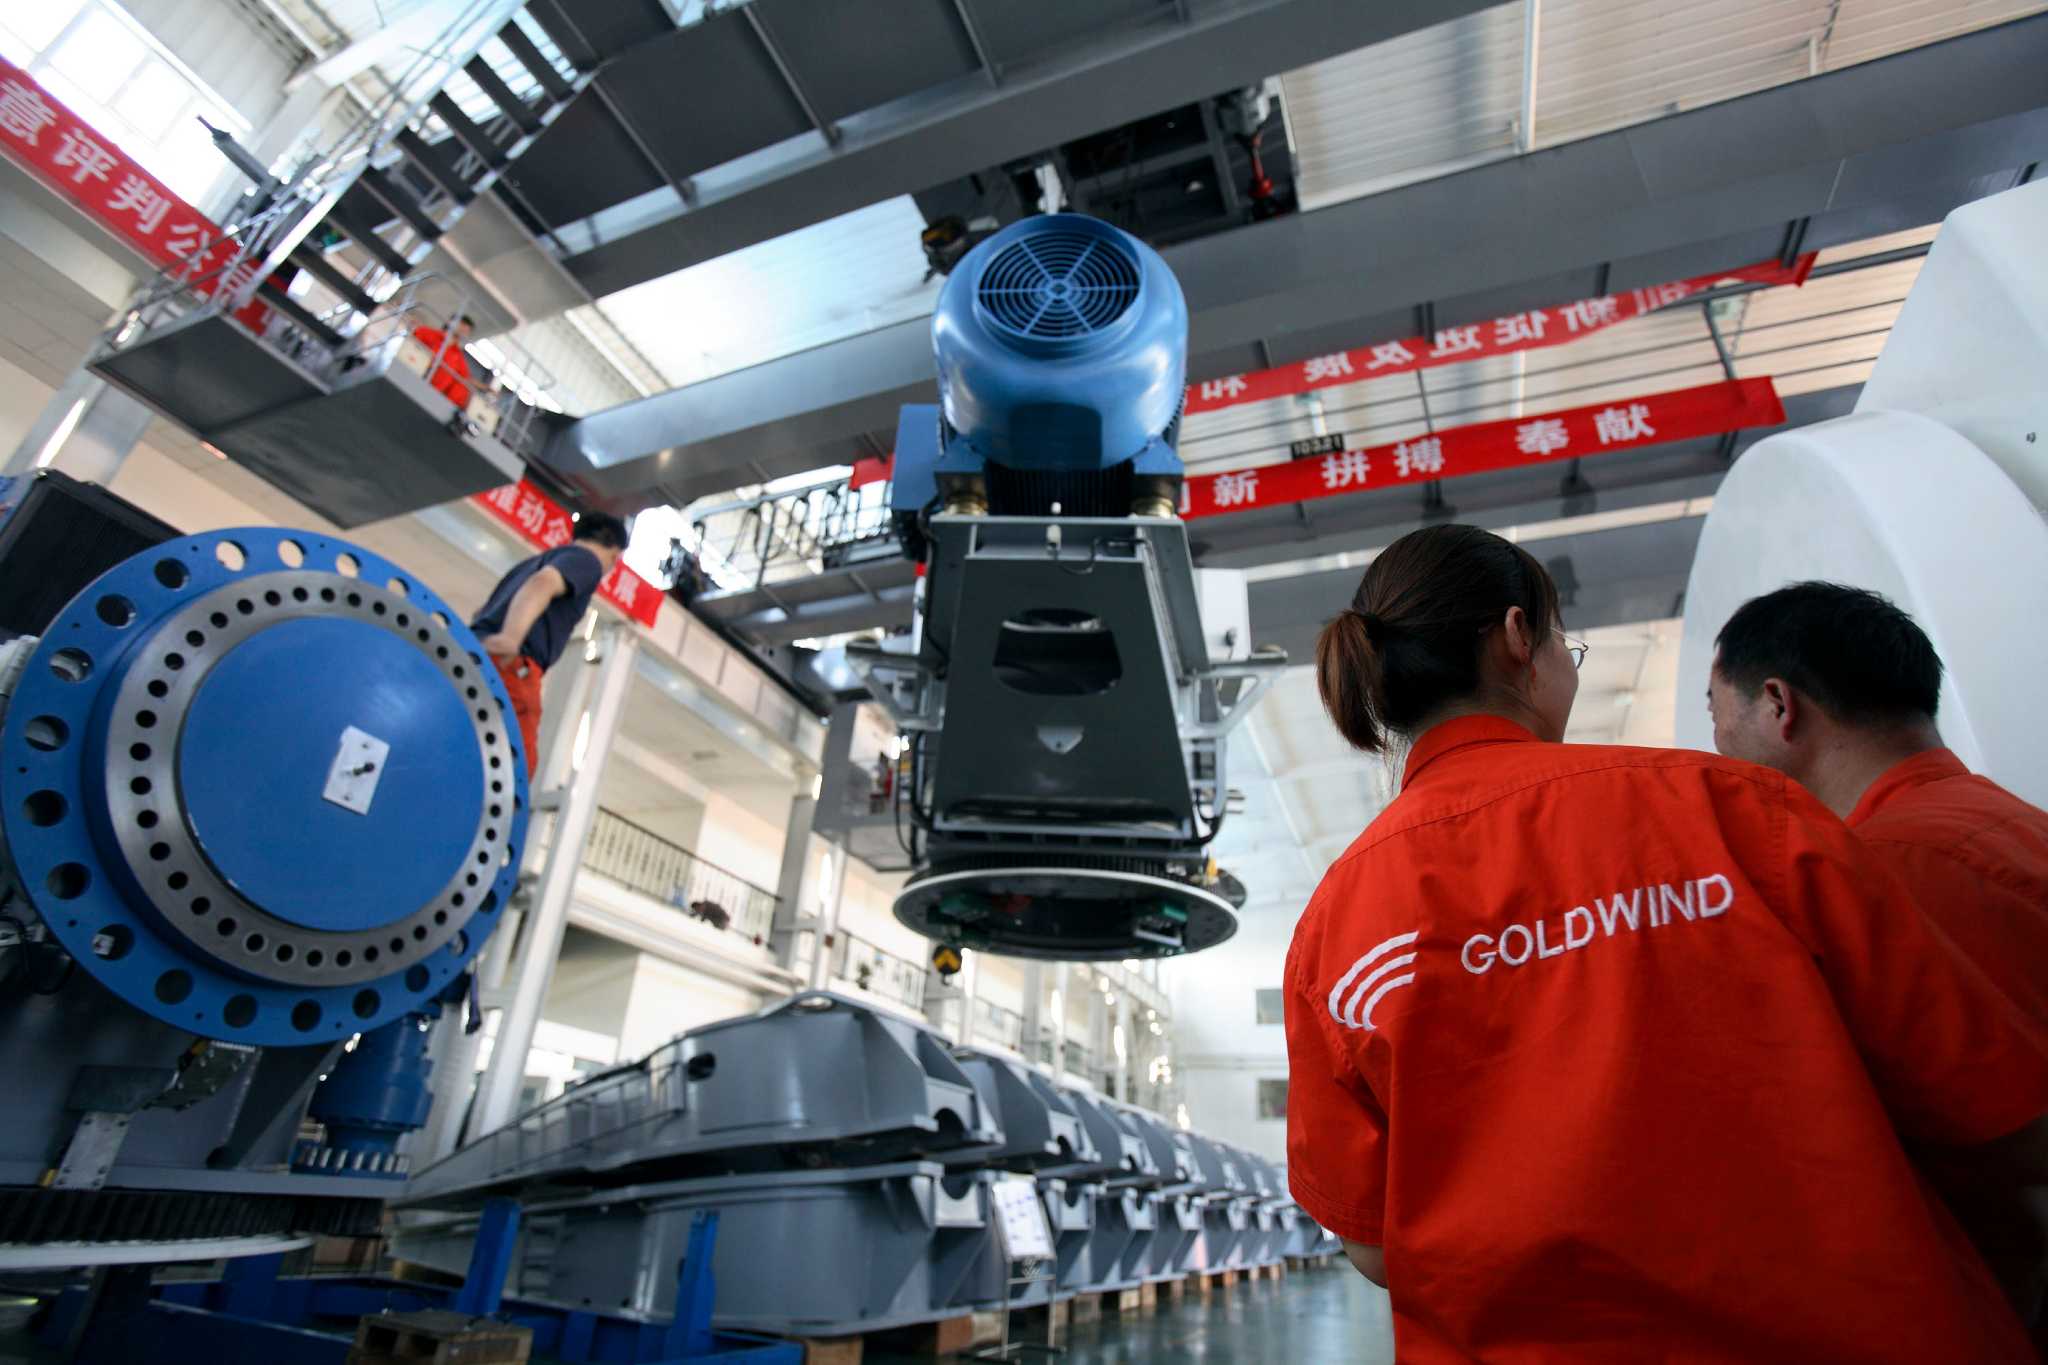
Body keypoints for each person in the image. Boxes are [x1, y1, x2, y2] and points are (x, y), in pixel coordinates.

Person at [1284, 523, 2048, 1364]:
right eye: (1563, 641)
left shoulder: (1336, 924)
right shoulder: (1730, 809)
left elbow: (1372, 1245)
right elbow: (1991, 1107)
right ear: (1516, 639)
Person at [1709, 580, 2048, 1317]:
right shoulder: (2007, 820)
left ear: (1777, 704)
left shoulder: (1886, 874)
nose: (1716, 748)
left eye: (1716, 712)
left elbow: (2001, 1136)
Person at [470, 512, 629, 778]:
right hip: (511, 666)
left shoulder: (533, 563)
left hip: (478, 655)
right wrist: (511, 637)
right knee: (513, 771)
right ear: (614, 553)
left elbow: (481, 612)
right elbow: (543, 584)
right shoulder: (586, 561)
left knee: (472, 747)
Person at [413, 313, 477, 409]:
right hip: (410, 379)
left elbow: (463, 383)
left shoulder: (460, 362)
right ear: (450, 322)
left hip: (430, 400)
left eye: (467, 328)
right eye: (462, 323)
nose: (464, 329)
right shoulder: (425, 332)